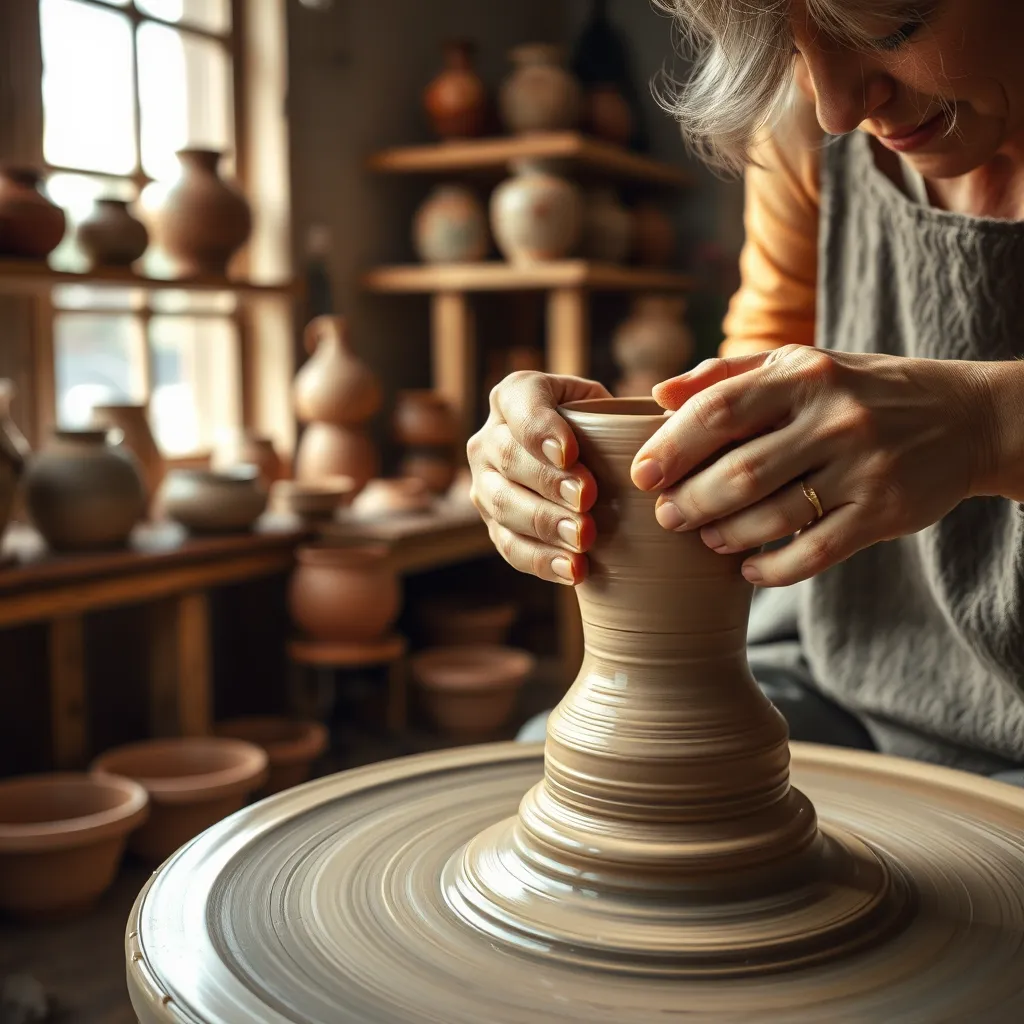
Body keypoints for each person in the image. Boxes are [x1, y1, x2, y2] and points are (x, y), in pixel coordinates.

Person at [467, 0, 1024, 779]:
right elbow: (751, 399)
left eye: (888, 32)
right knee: (563, 761)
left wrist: (988, 423)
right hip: (845, 664)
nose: (838, 106)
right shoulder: (809, 129)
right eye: (795, 51)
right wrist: (580, 459)